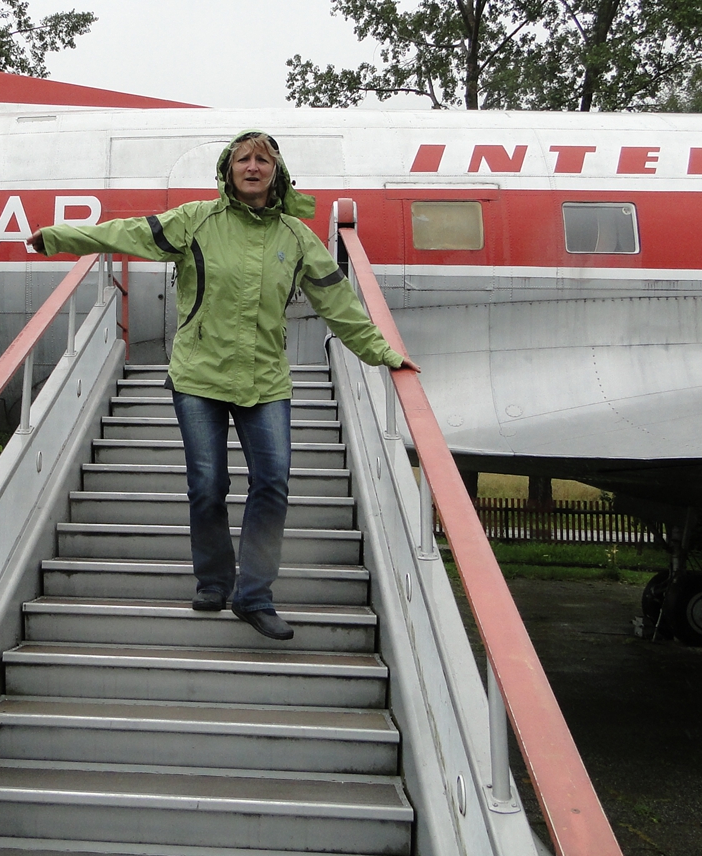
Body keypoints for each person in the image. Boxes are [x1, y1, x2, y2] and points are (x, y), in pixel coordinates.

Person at [28, 130, 418, 640]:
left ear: (276, 172)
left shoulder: (297, 238)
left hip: (266, 379)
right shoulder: (196, 220)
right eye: (243, 159)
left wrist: (386, 354)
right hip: (198, 375)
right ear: (228, 169)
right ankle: (213, 580)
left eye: (263, 160)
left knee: (273, 483)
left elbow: (340, 306)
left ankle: (254, 594)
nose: (253, 167)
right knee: (208, 484)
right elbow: (125, 234)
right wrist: (58, 237)